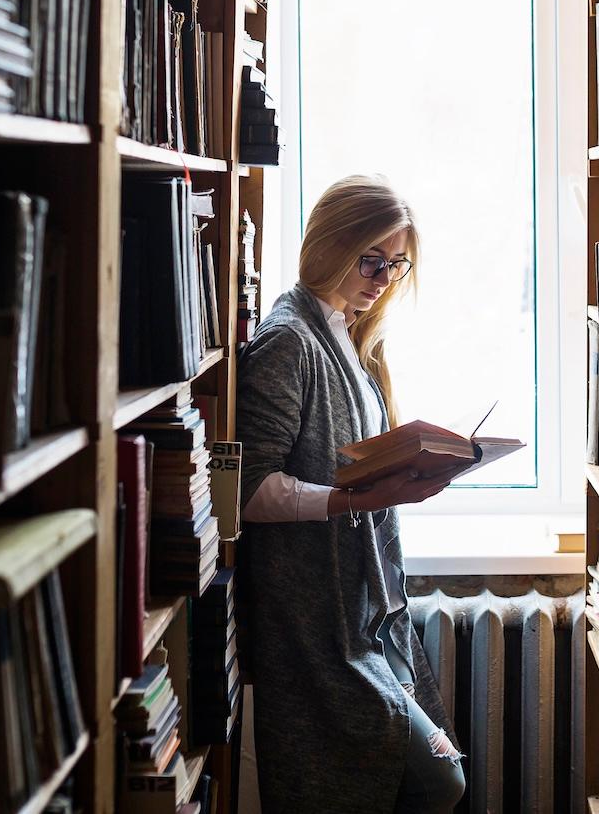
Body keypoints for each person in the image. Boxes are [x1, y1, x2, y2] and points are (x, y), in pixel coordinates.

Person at [236, 175, 467, 814]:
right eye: (372, 260)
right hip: (316, 626)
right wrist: (359, 501)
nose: (383, 278)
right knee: (436, 781)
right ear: (331, 244)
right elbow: (250, 487)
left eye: (397, 265)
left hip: (362, 611)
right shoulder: (289, 341)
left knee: (422, 779)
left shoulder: (345, 336)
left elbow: (343, 461)